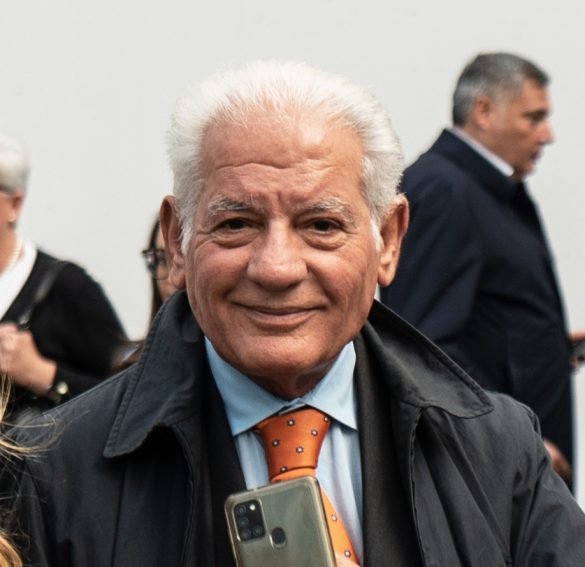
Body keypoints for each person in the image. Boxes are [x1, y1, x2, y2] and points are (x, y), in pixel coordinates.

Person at [2, 61, 585, 567]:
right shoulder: (53, 473)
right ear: (177, 240)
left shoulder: (498, 452)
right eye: (236, 224)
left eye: (321, 225)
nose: (277, 268)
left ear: (387, 241)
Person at [381, 52, 580, 484]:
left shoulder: (491, 190)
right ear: (484, 111)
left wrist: (546, 345)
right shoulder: (442, 189)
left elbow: (478, 320)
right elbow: (420, 342)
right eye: (533, 117)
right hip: (492, 469)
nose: (547, 135)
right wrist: (510, 437)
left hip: (517, 467)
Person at [0, 134, 126, 422]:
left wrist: (43, 373)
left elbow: (130, 395)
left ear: (15, 204)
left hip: (38, 449)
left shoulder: (68, 288)